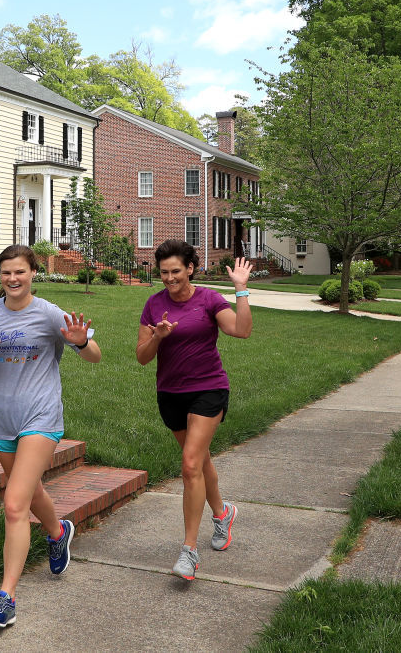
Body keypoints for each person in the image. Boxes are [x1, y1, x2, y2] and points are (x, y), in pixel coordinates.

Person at [0, 244, 102, 627]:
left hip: (41, 418)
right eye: (6, 273)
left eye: (20, 272)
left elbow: (94, 356)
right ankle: (58, 532)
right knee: (31, 491)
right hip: (2, 420)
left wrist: (81, 341)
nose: (13, 279)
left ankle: (6, 598)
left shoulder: (50, 313)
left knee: (15, 504)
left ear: (34, 272)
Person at [136, 240, 252, 580]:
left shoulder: (209, 299)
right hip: (170, 393)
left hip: (208, 389)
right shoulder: (153, 305)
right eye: (164, 273)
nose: (170, 279)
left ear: (190, 268)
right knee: (199, 460)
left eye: (176, 271)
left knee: (189, 465)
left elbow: (241, 331)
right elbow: (142, 357)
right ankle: (222, 513)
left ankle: (189, 551)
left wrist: (241, 291)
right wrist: (157, 336)